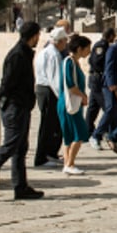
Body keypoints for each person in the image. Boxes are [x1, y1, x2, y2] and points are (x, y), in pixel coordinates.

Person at [0, 22, 44, 201]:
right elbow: (9, 80)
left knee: (20, 148)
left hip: (22, 106)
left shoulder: (24, 53)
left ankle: (21, 187)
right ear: (34, 35)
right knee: (9, 146)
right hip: (15, 107)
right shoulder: (18, 55)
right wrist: (0, 93)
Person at [32, 27, 69, 167]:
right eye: (65, 40)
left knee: (51, 124)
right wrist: (63, 97)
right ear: (59, 41)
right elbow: (55, 78)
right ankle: (41, 158)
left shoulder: (45, 52)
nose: (66, 43)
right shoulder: (54, 55)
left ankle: (49, 153)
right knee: (47, 125)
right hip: (49, 90)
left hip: (43, 89)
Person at [58, 35, 92, 174]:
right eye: (87, 49)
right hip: (70, 102)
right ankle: (70, 164)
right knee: (79, 133)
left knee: (70, 135)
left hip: (72, 102)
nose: (88, 52)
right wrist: (83, 96)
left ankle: (68, 163)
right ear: (79, 49)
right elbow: (71, 84)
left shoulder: (74, 62)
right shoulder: (69, 62)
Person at [85, 29, 112, 142]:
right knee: (107, 107)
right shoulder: (101, 46)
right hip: (97, 78)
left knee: (93, 107)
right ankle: (106, 130)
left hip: (96, 78)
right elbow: (95, 61)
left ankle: (87, 130)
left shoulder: (104, 45)